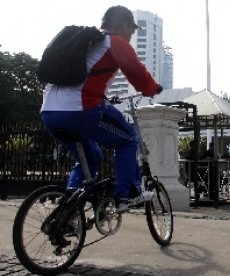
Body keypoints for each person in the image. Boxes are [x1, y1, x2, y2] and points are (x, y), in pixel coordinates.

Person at [40, 5, 163, 212]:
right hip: (80, 110)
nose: (132, 34)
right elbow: (139, 76)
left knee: (92, 157)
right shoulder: (113, 41)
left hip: (49, 113)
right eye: (131, 29)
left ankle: (68, 210)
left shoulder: (85, 41)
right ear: (122, 25)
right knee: (129, 138)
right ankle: (125, 195)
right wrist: (153, 89)